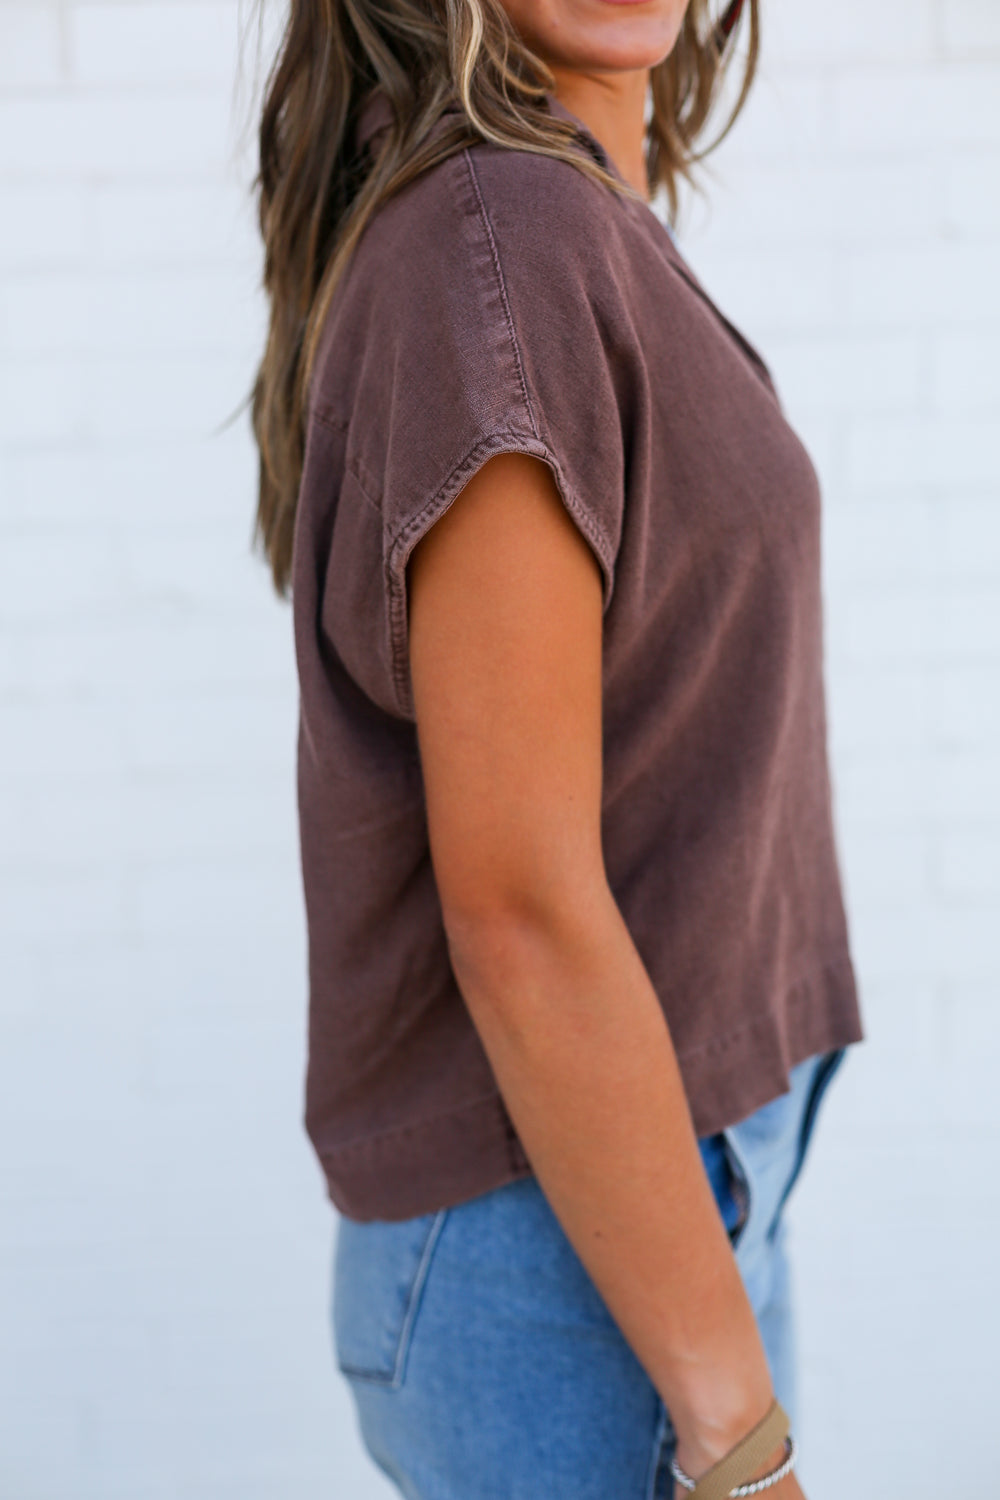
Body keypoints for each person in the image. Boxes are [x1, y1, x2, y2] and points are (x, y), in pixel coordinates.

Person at [249, 1, 865, 1495]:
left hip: (638, 1206)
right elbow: (520, 910)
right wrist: (736, 1436)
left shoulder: (549, 222)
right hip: (566, 1256)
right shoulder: (504, 245)